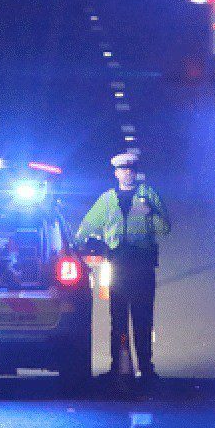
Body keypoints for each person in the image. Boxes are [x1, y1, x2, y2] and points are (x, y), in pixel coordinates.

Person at [76, 152, 171, 387]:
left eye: (130, 169)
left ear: (134, 172)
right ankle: (118, 367)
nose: (126, 172)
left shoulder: (148, 195)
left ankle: (146, 368)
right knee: (118, 320)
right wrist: (77, 244)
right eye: (122, 169)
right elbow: (88, 225)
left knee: (143, 320)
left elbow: (165, 228)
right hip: (118, 265)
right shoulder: (107, 199)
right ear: (116, 173)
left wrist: (152, 213)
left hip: (142, 266)